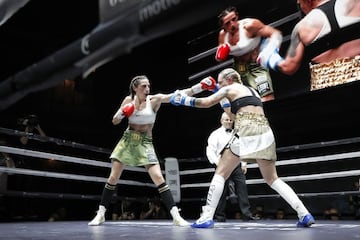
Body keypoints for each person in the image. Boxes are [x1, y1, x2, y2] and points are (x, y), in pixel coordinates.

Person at [170, 67, 315, 228]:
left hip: (246, 128)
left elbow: (205, 103)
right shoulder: (251, 90)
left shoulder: (230, 88)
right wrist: (219, 92)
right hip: (265, 130)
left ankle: (206, 217)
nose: (219, 85)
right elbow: (232, 115)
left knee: (220, 173)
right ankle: (304, 214)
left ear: (230, 79)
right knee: (272, 178)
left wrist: (183, 100)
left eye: (220, 82)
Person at [88, 74, 218, 226]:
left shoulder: (154, 100)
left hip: (145, 142)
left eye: (148, 85)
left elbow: (177, 95)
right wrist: (122, 112)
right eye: (144, 86)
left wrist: (200, 87)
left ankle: (176, 216)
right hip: (128, 140)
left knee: (158, 178)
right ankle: (101, 214)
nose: (147, 89)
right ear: (135, 88)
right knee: (113, 178)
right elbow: (115, 121)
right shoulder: (128, 101)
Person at [257, 0, 360, 90]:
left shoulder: (302, 27)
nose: (299, 5)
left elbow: (288, 67)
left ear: (308, 1)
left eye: (300, 2)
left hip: (329, 92)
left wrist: (270, 58)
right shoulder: (354, 3)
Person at [215, 6, 283, 102]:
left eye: (234, 19)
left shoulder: (250, 25)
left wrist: (270, 51)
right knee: (243, 101)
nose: (232, 24)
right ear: (223, 26)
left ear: (237, 16)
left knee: (266, 98)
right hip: (238, 71)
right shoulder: (223, 35)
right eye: (227, 23)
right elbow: (220, 57)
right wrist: (220, 55)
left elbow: (275, 33)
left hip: (256, 67)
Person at [206, 112, 258, 222]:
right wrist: (217, 163)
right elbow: (210, 150)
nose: (229, 122)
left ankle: (247, 215)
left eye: (230, 120)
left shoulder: (237, 133)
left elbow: (242, 148)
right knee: (221, 191)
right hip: (222, 165)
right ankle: (219, 216)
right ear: (221, 121)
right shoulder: (215, 134)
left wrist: (244, 163)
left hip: (236, 164)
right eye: (226, 120)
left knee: (242, 189)